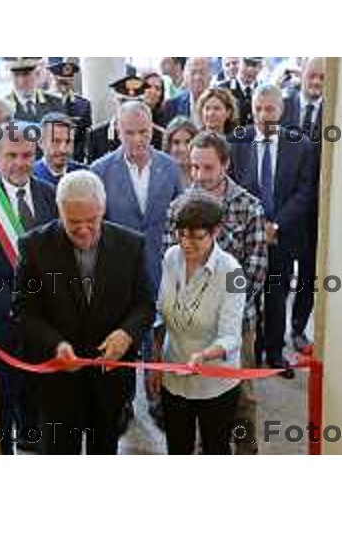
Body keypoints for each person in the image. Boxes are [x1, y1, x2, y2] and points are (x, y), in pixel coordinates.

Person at [12, 170, 155, 455]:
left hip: (110, 383)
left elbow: (145, 305)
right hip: (58, 384)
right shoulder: (34, 247)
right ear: (59, 210)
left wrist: (126, 334)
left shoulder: (131, 245)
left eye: (92, 221)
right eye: (73, 222)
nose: (84, 230)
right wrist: (56, 344)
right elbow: (24, 312)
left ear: (103, 209)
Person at [163, 132, 267, 454]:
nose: (199, 176)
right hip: (181, 343)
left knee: (242, 399)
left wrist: (223, 305)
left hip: (237, 320)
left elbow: (256, 268)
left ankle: (244, 451)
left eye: (207, 168)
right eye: (193, 167)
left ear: (225, 165)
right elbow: (171, 264)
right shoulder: (180, 207)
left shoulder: (249, 205)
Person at [91, 100, 183, 431]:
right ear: (118, 132)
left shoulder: (171, 167)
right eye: (130, 133)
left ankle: (159, 400)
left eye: (143, 132)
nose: (138, 140)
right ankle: (124, 403)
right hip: (121, 276)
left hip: (164, 268)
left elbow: (180, 218)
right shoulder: (99, 171)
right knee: (126, 337)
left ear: (153, 130)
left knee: (161, 336)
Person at [229, 84, 318, 377]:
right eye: (257, 109)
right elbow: (233, 187)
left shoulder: (300, 144)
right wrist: (255, 226)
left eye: (269, 109)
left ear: (281, 111)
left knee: (277, 293)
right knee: (247, 294)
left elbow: (305, 193)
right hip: (246, 235)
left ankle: (276, 354)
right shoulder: (237, 142)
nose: (263, 115)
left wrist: (276, 224)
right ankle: (251, 350)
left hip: (283, 233)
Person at [0, 121, 59, 454]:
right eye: (11, 155)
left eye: (27, 155)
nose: (20, 163)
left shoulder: (50, 194)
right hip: (2, 324)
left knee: (40, 399)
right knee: (5, 399)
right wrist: (12, 307)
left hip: (44, 324)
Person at [148, 193, 246, 455]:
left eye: (196, 237)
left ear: (215, 232)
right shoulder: (171, 257)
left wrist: (204, 355)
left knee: (215, 448)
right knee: (177, 447)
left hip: (215, 381)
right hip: (174, 374)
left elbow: (231, 337)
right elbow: (161, 314)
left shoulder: (233, 273)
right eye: (182, 235)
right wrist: (156, 363)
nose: (186, 244)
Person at [282, 57, 325, 352]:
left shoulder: (335, 113)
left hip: (316, 211)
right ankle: (269, 333)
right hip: (284, 207)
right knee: (279, 271)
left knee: (309, 272)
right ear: (303, 74)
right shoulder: (283, 105)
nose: (317, 82)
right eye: (313, 75)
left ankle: (298, 329)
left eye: (323, 78)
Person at [86, 75, 148, 163]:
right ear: (116, 102)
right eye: (124, 102)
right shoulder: (96, 135)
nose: (130, 109)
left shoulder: (156, 135)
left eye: (136, 103)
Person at [48, 59, 92, 163]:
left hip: (72, 160)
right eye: (60, 81)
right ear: (53, 79)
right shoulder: (42, 103)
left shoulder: (83, 105)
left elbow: (84, 137)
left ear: (72, 80)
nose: (64, 86)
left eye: (67, 82)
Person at [33, 112, 86, 186]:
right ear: (41, 143)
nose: (63, 149)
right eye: (56, 141)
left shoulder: (85, 175)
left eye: (68, 142)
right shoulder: (29, 177)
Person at [5, 58, 63, 123]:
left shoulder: (57, 104)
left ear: (37, 74)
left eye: (26, 74)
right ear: (10, 77)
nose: (21, 81)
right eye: (16, 75)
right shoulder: (2, 108)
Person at [162, 57, 211, 126]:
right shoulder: (172, 105)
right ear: (185, 76)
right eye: (193, 72)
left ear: (210, 76)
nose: (197, 77)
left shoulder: (221, 102)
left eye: (202, 72)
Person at [218, 57, 263, 128]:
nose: (250, 69)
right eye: (247, 64)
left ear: (261, 68)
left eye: (254, 65)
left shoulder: (263, 90)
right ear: (239, 64)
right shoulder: (223, 89)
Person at [163, 117, 198, 188]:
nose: (183, 149)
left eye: (188, 142)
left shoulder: (204, 177)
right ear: (168, 146)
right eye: (176, 142)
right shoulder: (160, 178)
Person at [142, 71, 167, 149]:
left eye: (157, 88)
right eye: (148, 87)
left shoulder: (165, 116)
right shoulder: (130, 112)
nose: (153, 91)